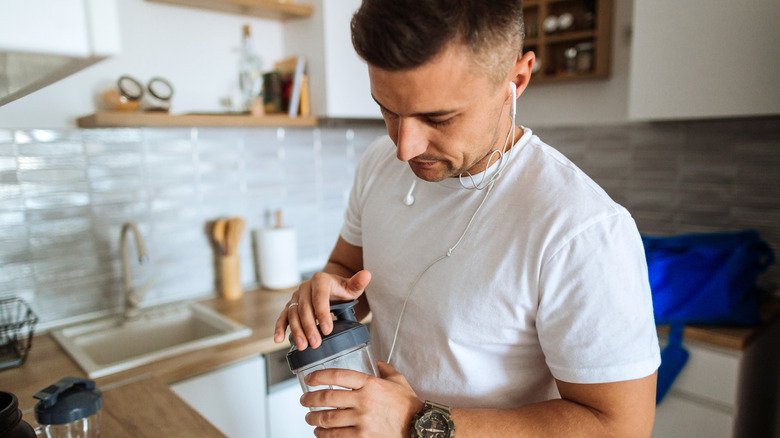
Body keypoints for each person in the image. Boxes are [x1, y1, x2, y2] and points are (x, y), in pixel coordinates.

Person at [274, 0, 661, 436]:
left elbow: (620, 427)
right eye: (388, 110)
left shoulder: (582, 228)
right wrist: (326, 298)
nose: (406, 147)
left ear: (517, 79)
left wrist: (415, 423)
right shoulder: (379, 164)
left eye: (438, 117)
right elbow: (346, 271)